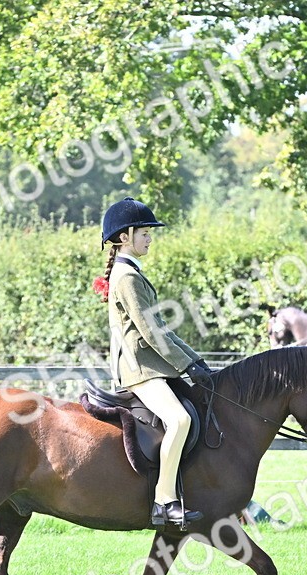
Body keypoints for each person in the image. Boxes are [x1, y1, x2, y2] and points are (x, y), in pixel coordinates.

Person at [93, 197, 213, 530]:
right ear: (124, 237)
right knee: (179, 420)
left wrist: (194, 360)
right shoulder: (127, 278)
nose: (149, 238)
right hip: (138, 369)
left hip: (149, 365)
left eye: (149, 233)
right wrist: (185, 366)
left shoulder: (131, 272)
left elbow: (161, 329)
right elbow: (149, 332)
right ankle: (164, 501)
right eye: (144, 233)